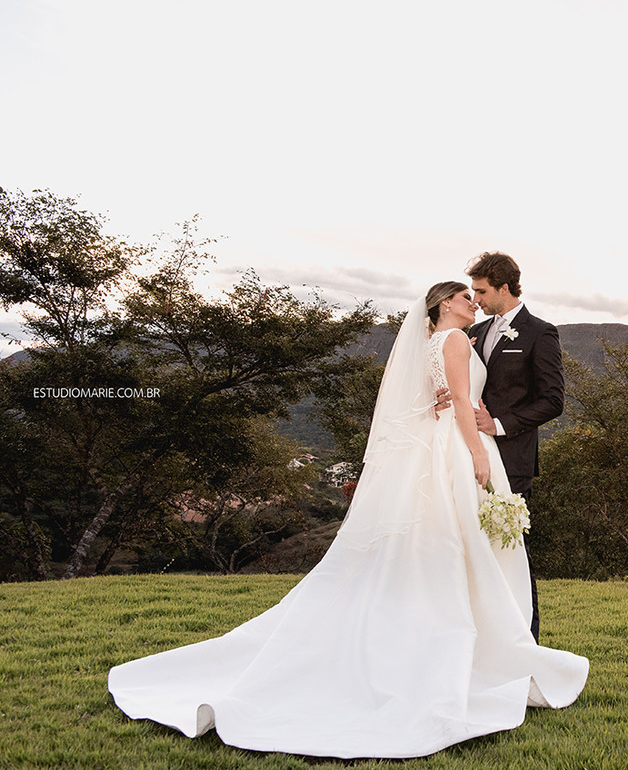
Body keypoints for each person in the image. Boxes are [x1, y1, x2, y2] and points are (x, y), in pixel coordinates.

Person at [107, 281, 588, 760]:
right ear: (445, 305)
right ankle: (474, 651)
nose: (473, 303)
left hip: (433, 449)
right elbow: (461, 402)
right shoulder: (459, 338)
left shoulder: (431, 342)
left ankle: (459, 643)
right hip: (458, 450)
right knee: (458, 548)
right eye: (466, 297)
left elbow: (436, 400)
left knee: (439, 547)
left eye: (476, 294)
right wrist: (476, 456)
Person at [465, 252, 564, 643]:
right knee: (474, 552)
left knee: (512, 552)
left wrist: (499, 425)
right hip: (470, 457)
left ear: (505, 287)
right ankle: (481, 642)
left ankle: (527, 646)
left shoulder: (541, 332)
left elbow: (553, 400)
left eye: (482, 291)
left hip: (511, 459)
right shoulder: (475, 332)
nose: (476, 300)